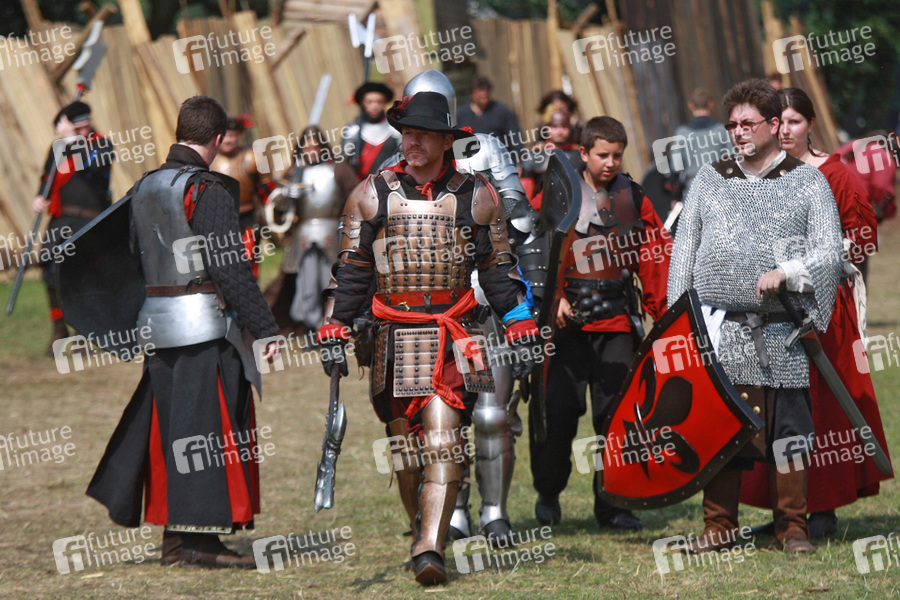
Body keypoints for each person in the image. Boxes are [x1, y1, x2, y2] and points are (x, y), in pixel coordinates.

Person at [318, 90, 539, 585]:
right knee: (404, 450)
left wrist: (519, 318)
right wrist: (336, 322)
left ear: (445, 141)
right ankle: (421, 527)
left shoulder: (477, 194)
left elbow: (498, 268)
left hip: (454, 334)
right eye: (407, 134)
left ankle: (429, 549)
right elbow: (352, 270)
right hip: (392, 336)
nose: (412, 143)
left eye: (422, 135)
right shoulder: (371, 193)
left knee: (444, 441)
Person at [86, 96, 280, 568]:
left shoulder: (144, 186)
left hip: (159, 325)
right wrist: (266, 328)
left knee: (174, 431)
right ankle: (197, 543)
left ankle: (178, 540)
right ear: (218, 138)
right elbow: (229, 267)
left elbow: (131, 255)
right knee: (206, 434)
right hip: (204, 328)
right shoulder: (206, 189)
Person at [669, 79, 843, 554]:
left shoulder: (807, 181)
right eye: (732, 125)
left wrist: (787, 271)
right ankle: (719, 527)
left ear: (773, 124)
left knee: (790, 435)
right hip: (722, 329)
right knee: (722, 430)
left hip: (783, 330)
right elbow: (684, 253)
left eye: (748, 123)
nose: (738, 132)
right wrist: (677, 323)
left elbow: (829, 252)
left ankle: (793, 528)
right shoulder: (710, 179)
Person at [740, 87, 892, 538]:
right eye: (779, 122)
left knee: (822, 406)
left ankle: (821, 508)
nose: (786, 130)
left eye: (795, 121)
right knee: (773, 405)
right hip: (772, 309)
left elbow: (863, 237)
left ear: (810, 125)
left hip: (823, 308)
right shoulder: (762, 174)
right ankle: (785, 510)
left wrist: (811, 259)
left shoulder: (834, 173)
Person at [529, 116, 672, 531]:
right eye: (602, 155)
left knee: (618, 419)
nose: (610, 163)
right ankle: (548, 494)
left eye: (616, 156)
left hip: (616, 323)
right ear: (584, 153)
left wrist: (664, 316)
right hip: (565, 326)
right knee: (557, 416)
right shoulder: (557, 192)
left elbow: (655, 259)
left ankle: (613, 504)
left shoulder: (634, 197)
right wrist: (550, 300)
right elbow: (535, 251)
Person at [32, 101, 114, 354]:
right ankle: (59, 329)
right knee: (49, 270)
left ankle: (83, 334)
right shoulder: (57, 149)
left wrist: (71, 142)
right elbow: (47, 178)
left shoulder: (101, 145)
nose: (81, 132)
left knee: (83, 274)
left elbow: (91, 167)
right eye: (76, 128)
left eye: (82, 128)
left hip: (90, 220)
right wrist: (40, 197)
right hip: (61, 218)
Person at [263, 126, 357, 335]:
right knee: (307, 284)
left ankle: (331, 324)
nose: (311, 151)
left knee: (330, 282)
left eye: (315, 146)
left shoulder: (338, 169)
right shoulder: (295, 172)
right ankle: (311, 326)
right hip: (303, 235)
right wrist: (286, 194)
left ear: (323, 147)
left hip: (332, 232)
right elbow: (278, 207)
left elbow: (356, 196)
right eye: (307, 147)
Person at [209, 113, 273, 278]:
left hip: (247, 223)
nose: (228, 140)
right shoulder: (208, 160)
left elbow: (268, 192)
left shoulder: (252, 157)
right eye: (224, 136)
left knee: (247, 269)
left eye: (231, 135)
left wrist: (276, 217)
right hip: (217, 223)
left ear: (238, 135)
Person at [671, 88, 732, 195]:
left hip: (693, 189)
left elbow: (676, 166)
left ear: (690, 105)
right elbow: (732, 159)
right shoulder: (722, 130)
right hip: (720, 188)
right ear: (711, 104)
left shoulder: (682, 133)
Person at [520, 109, 584, 204]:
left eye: (564, 126)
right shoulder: (535, 154)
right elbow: (526, 192)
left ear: (570, 128)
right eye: (554, 126)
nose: (559, 131)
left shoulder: (580, 154)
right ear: (547, 128)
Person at [341, 82, 401, 181]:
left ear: (385, 101)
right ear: (363, 102)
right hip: (360, 184)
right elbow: (345, 162)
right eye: (369, 102)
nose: (374, 106)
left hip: (391, 182)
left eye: (379, 101)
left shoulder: (395, 129)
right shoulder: (352, 131)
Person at [457, 76, 523, 156]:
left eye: (486, 97)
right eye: (480, 97)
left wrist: (518, 156)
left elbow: (515, 137)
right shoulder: (462, 115)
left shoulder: (502, 111)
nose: (484, 101)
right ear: (472, 95)